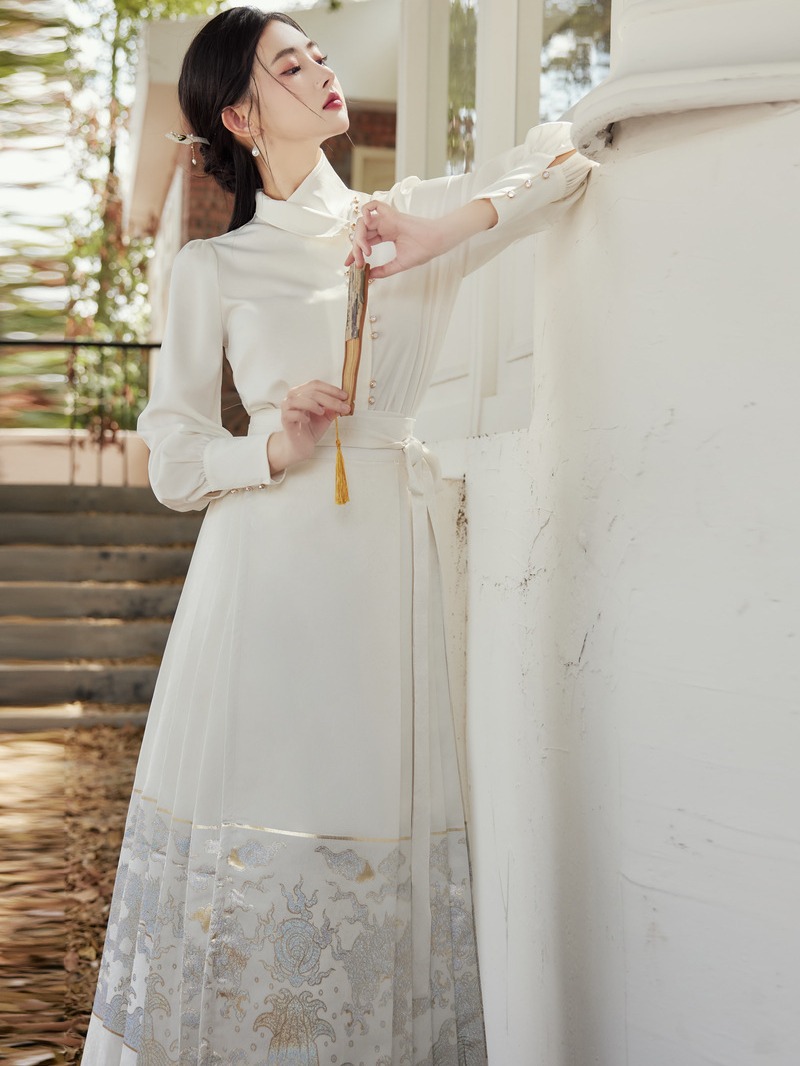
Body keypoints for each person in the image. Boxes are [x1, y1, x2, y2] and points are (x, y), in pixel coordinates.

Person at [80, 8, 595, 1065]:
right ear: (239, 115)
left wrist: (440, 236)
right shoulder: (212, 270)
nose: (319, 69)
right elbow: (173, 457)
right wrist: (271, 444)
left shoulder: (400, 217)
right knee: (257, 810)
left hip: (383, 568)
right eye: (289, 63)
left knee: (369, 816)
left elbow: (564, 160)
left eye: (315, 52)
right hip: (258, 577)